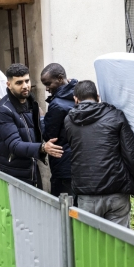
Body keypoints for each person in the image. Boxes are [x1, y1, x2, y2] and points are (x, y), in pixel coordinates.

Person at [64, 80, 134, 227]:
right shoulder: (115, 115)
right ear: (97, 96)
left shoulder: (69, 121)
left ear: (75, 99)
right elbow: (131, 154)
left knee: (90, 244)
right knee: (119, 244)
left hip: (86, 193)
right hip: (116, 190)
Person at [0, 63, 63, 188]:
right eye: (19, 83)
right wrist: (42, 148)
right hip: (13, 174)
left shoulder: (32, 103)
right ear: (9, 85)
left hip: (32, 169)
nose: (25, 86)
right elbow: (14, 145)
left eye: (27, 81)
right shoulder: (4, 110)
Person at [40, 63, 77, 199]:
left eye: (48, 84)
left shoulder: (57, 105)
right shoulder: (79, 94)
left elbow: (49, 136)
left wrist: (42, 118)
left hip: (63, 165)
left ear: (60, 79)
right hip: (80, 164)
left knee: (63, 209)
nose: (47, 88)